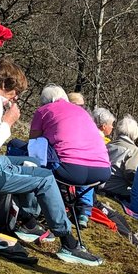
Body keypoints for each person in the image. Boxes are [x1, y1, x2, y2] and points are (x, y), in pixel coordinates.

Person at [0, 59, 101, 265]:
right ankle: (69, 244)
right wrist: (8, 120)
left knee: (32, 162)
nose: (15, 98)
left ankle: (28, 221)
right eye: (15, 92)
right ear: (5, 85)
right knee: (46, 178)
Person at [29, 86, 112, 224]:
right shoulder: (84, 113)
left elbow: (33, 142)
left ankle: (31, 210)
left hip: (69, 169)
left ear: (45, 101)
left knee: (33, 146)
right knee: (80, 156)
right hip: (102, 171)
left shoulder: (43, 110)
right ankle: (84, 210)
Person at [101, 115, 138, 202]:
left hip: (99, 186)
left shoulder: (107, 145)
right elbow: (130, 175)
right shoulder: (134, 151)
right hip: (118, 191)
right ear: (134, 132)